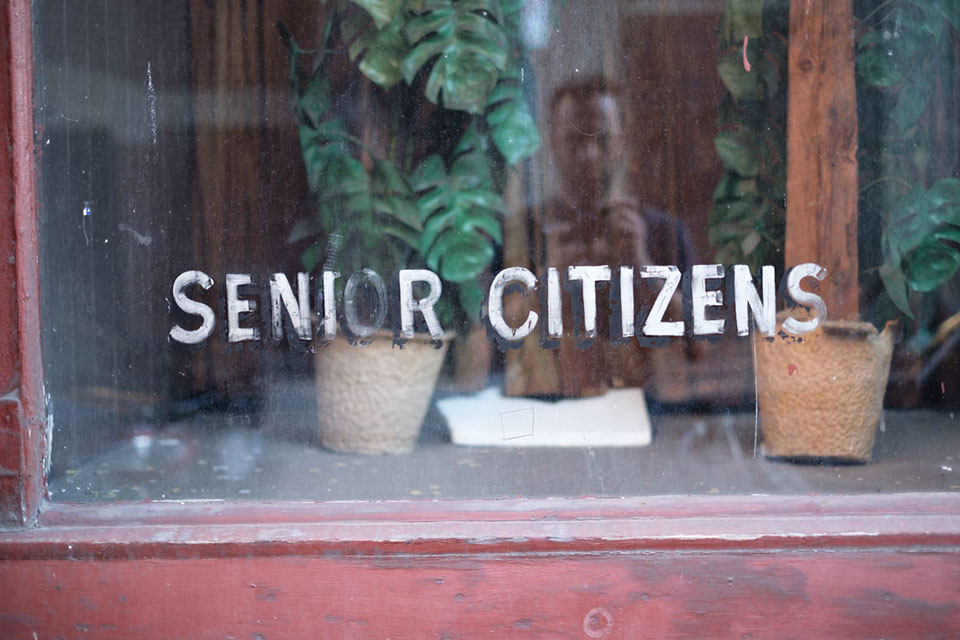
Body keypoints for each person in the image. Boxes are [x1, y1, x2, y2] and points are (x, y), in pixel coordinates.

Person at [506, 75, 698, 398]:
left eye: (603, 140)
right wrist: (548, 282)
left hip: (646, 409)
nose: (590, 155)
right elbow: (491, 347)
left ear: (623, 140)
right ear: (552, 143)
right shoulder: (522, 232)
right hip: (549, 410)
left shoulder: (663, 232)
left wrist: (640, 264)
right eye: (574, 142)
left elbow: (699, 345)